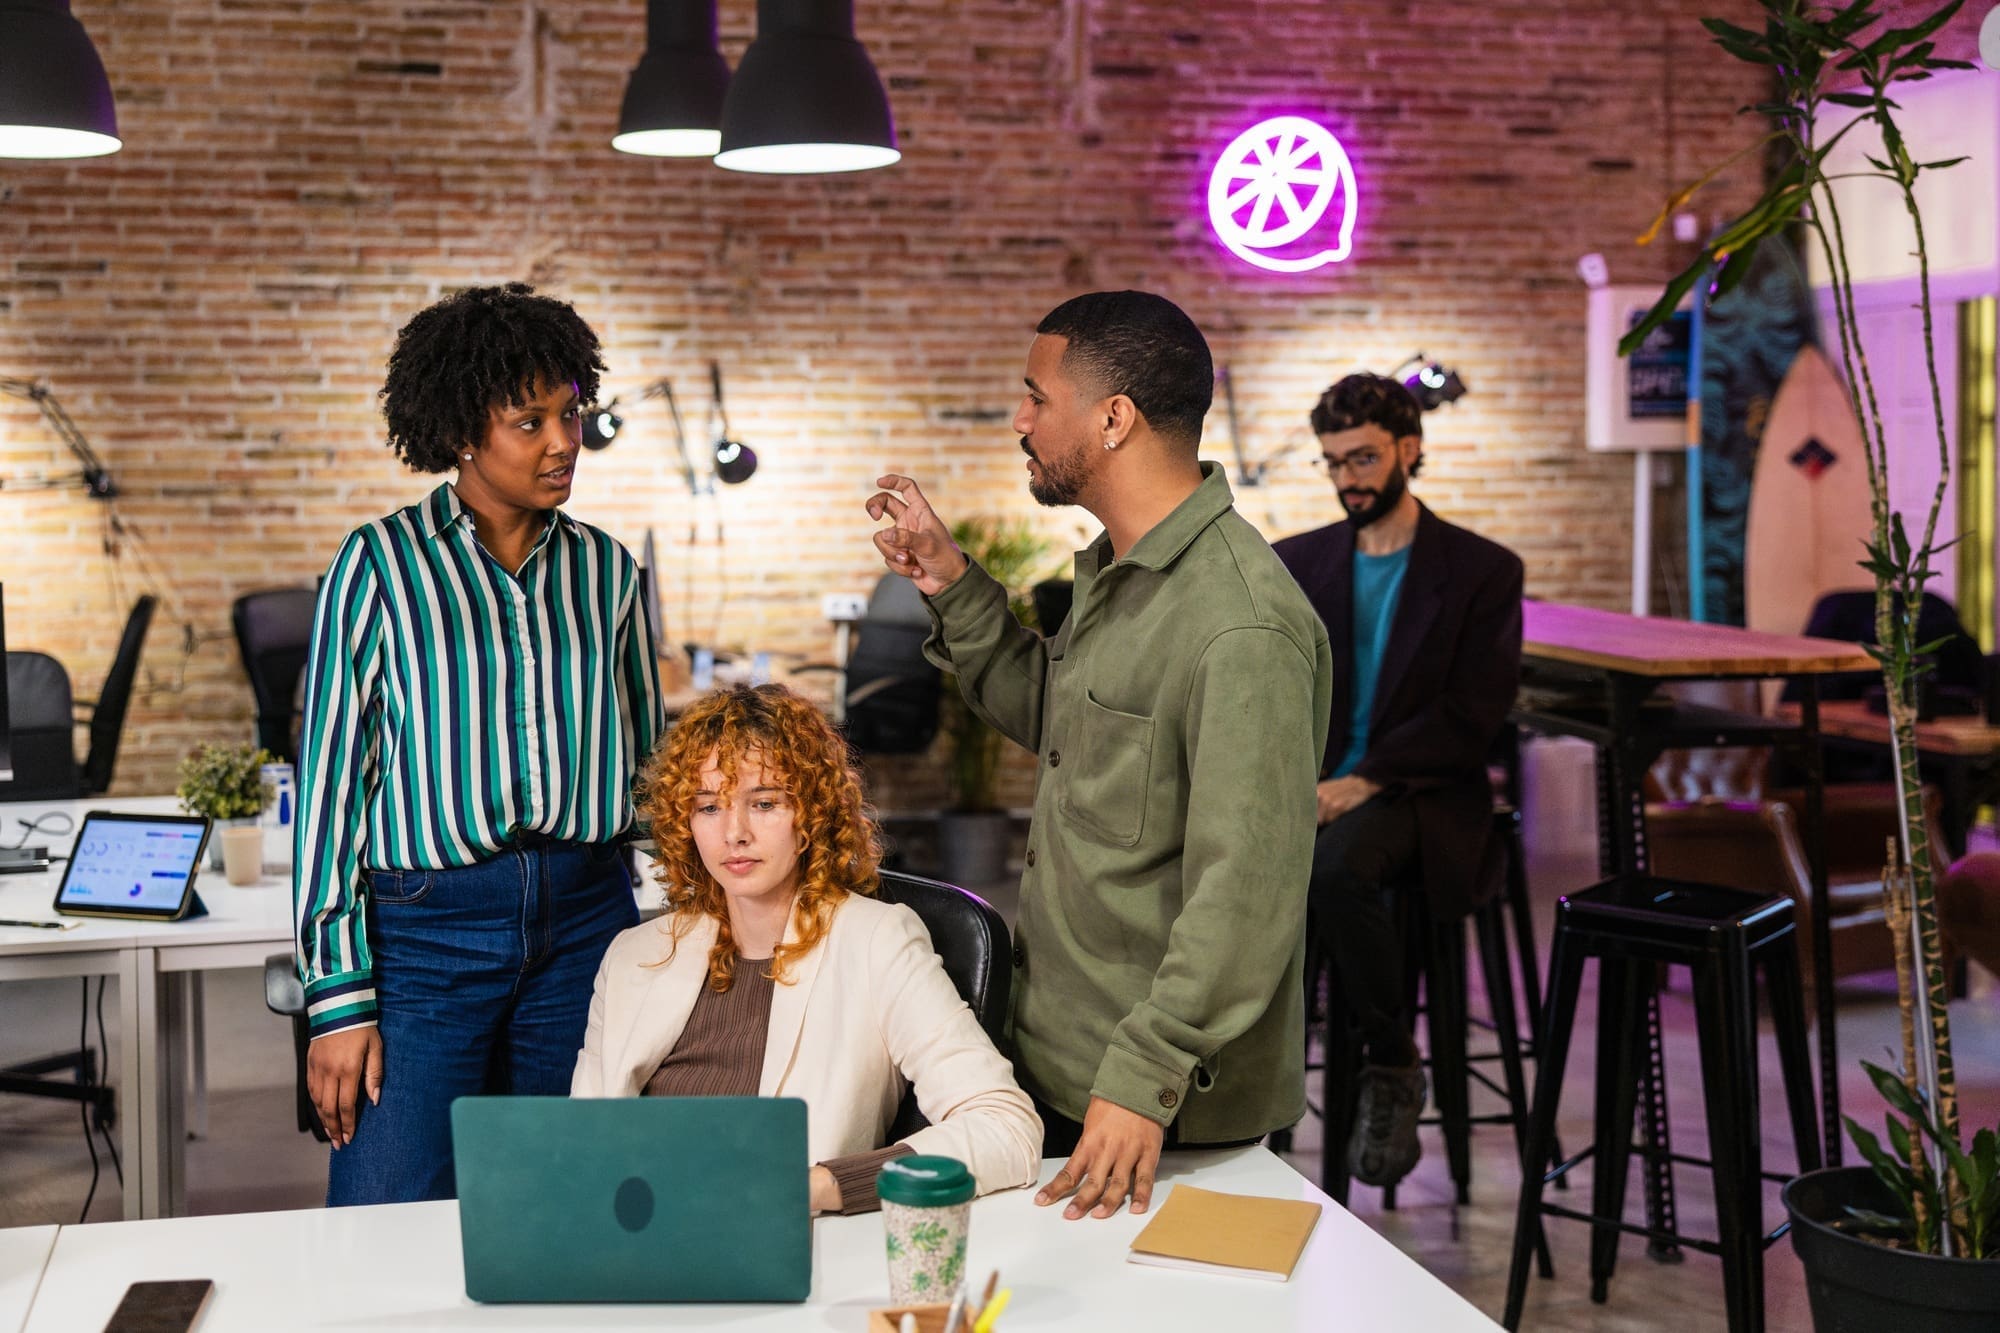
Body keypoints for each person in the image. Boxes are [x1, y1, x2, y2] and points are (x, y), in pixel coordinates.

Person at [864, 290, 1334, 1221]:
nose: (1020, 420)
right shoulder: (1126, 577)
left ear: (1114, 418)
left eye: (1037, 396)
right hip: (1064, 1070)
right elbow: (1054, 717)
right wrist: (951, 580)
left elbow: (1248, 889)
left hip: (1160, 1115)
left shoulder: (1240, 621)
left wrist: (1149, 1066)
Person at [294, 283, 666, 1205]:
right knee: (384, 1211)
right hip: (426, 932)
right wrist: (337, 999)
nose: (563, 440)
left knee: (570, 1207)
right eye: (529, 419)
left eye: (572, 412)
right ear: (464, 428)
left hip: (587, 922)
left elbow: (654, 770)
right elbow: (333, 786)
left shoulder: (608, 571)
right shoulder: (376, 565)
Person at [571, 684, 1042, 1212]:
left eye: (765, 803)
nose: (735, 833)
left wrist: (821, 1187)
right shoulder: (633, 955)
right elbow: (585, 1149)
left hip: (782, 1242)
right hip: (636, 1236)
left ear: (812, 814)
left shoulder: (875, 941)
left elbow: (1006, 1126)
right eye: (708, 806)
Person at [1271, 371, 1523, 1188]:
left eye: (1366, 457)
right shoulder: (1297, 562)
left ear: (1410, 450)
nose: (1350, 477)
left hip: (1422, 792)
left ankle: (1390, 1061)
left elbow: (1469, 718)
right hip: (1313, 789)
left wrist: (1364, 780)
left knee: (1335, 866)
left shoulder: (1483, 570)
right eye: (1336, 461)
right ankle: (1250, 1091)